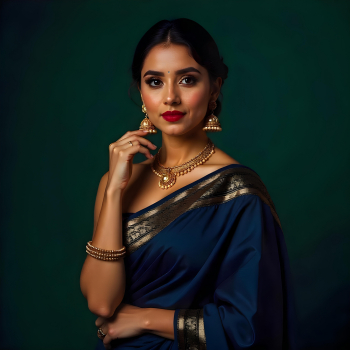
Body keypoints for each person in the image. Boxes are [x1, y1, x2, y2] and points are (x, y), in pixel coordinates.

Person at [80, 18, 296, 350]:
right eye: (154, 81)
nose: (170, 97)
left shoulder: (238, 193)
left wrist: (144, 318)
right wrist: (112, 192)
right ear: (140, 91)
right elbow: (102, 304)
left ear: (215, 88)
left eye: (187, 79)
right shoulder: (118, 182)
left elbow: (249, 326)